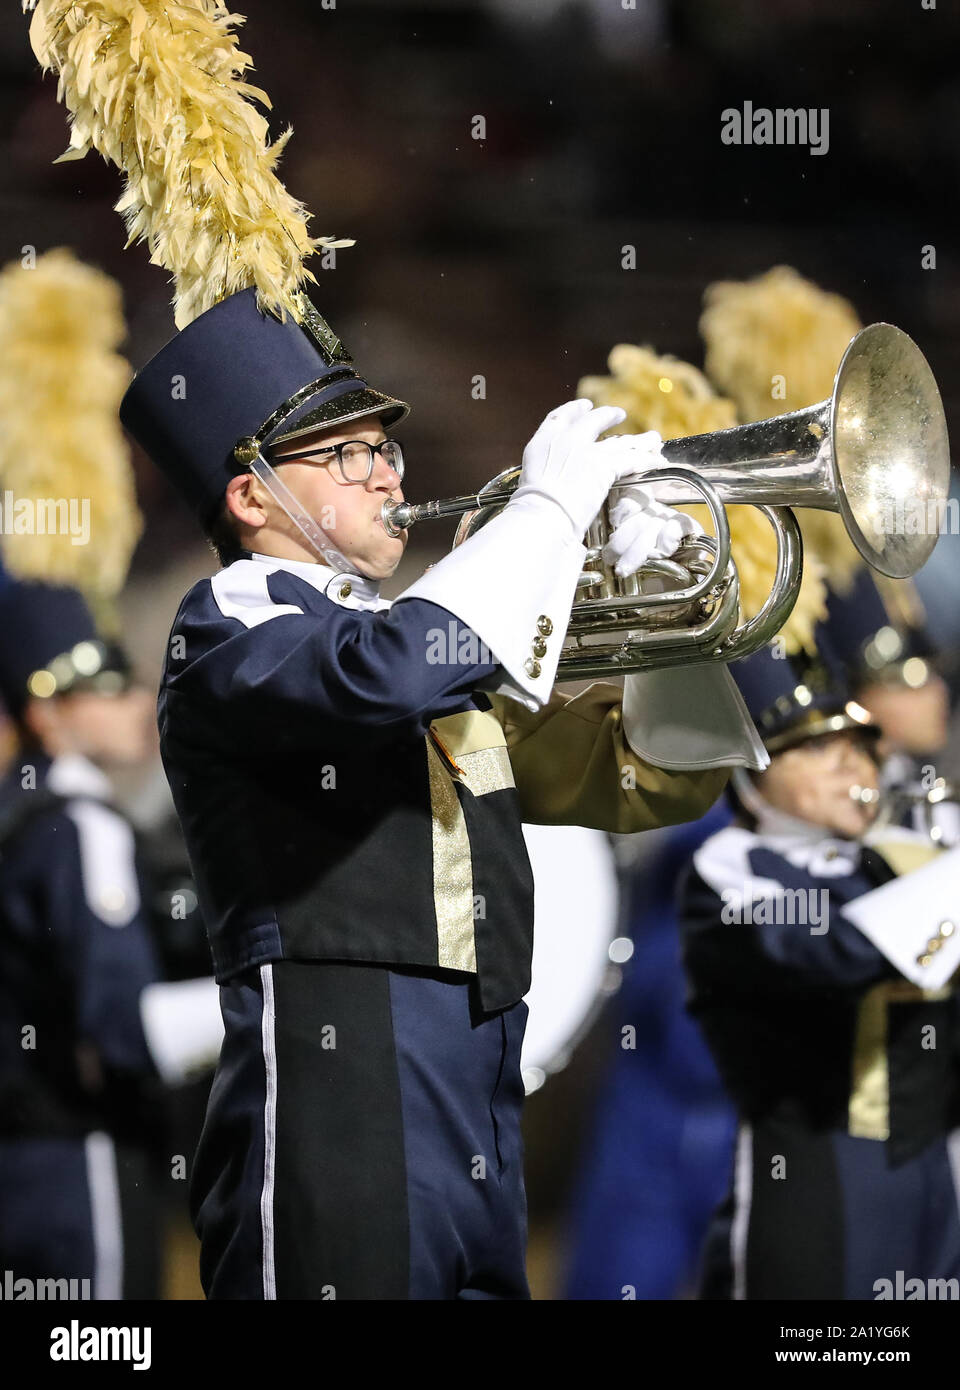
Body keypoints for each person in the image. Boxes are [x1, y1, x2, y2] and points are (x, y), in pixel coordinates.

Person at [678, 640, 960, 1300]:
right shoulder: (731, 865)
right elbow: (831, 952)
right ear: (750, 769)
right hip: (816, 1176)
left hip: (933, 1168)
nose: (847, 764)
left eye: (859, 745)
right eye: (811, 748)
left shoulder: (902, 850)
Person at [0, 572, 222, 1298]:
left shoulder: (21, 820)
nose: (136, 699)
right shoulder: (80, 826)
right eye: (108, 681)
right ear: (46, 713)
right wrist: (270, 999)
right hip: (78, 1159)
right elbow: (126, 1034)